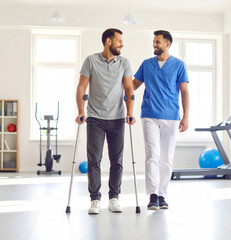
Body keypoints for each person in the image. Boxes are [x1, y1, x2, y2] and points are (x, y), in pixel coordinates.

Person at [76, 28, 136, 214]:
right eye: (119, 41)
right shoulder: (91, 61)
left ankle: (114, 198)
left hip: (117, 118)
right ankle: (95, 200)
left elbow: (128, 89)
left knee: (116, 161)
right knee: (94, 160)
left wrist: (129, 112)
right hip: (95, 118)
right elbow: (81, 87)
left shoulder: (124, 63)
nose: (122, 44)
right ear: (108, 41)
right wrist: (80, 111)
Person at [132, 30, 189, 210]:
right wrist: (116, 88)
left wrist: (186, 116)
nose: (154, 45)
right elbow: (133, 85)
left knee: (166, 158)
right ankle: (153, 195)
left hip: (171, 117)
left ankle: (163, 194)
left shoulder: (179, 65)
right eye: (154, 42)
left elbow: (185, 91)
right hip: (149, 114)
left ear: (167, 44)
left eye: (157, 42)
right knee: (152, 155)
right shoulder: (147, 64)